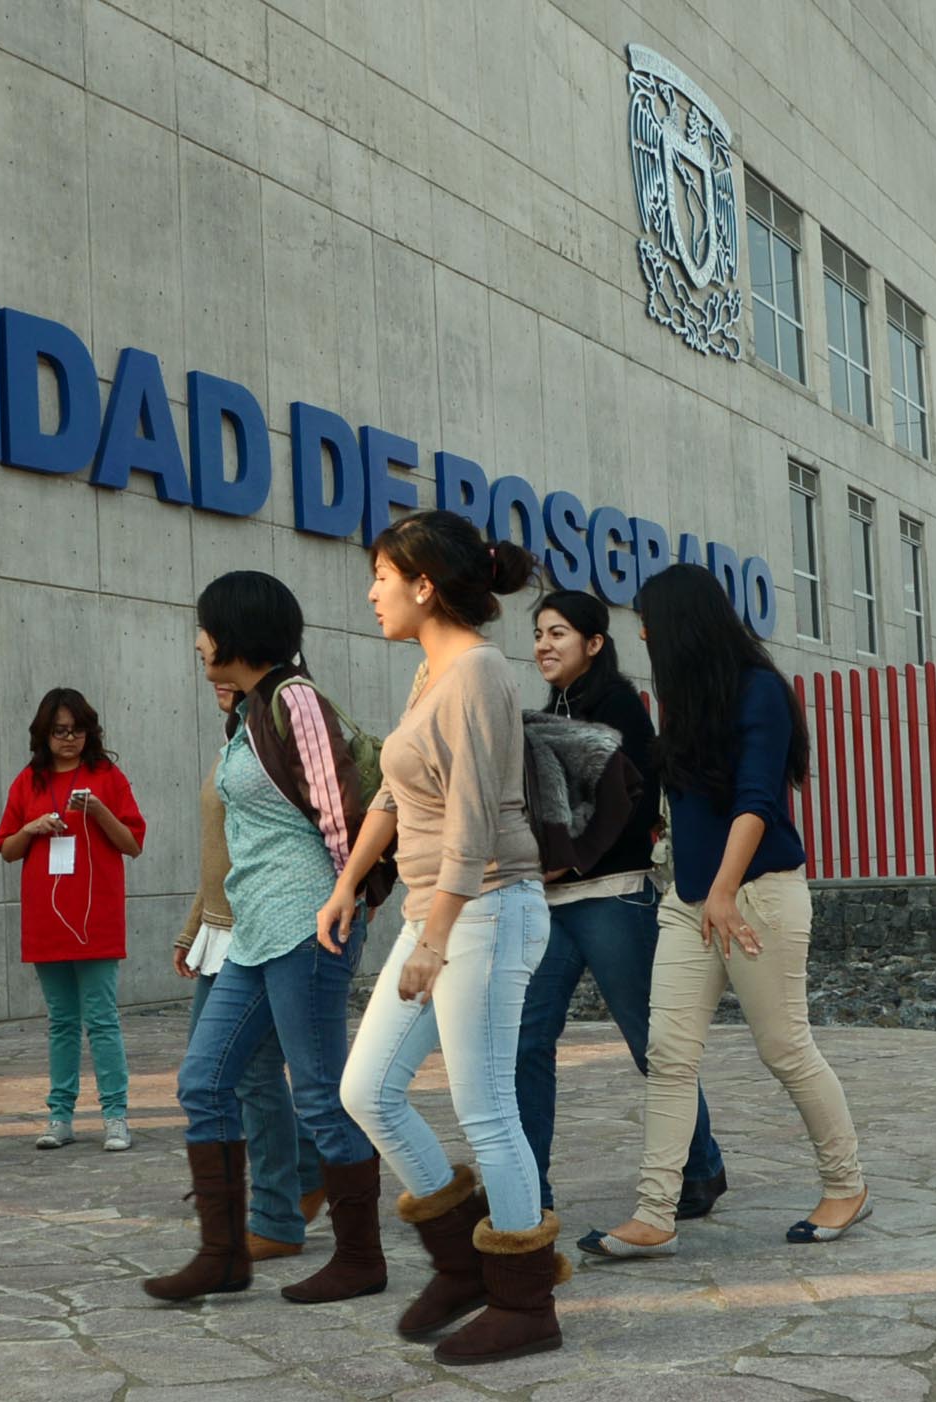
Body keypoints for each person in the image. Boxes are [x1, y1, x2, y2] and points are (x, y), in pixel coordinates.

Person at [325, 510, 567, 1368]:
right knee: (367, 1090)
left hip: (488, 908)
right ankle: (464, 1265)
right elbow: (394, 796)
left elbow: (472, 822)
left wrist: (434, 939)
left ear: (424, 585)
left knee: (486, 1107)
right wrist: (348, 883)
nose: (371, 592)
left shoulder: (477, 673)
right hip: (440, 911)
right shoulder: (430, 674)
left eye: (382, 577)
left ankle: (526, 1302)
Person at [582, 564, 868, 1259]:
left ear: (682, 624)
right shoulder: (684, 701)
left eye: (648, 622)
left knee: (785, 1048)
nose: (642, 635)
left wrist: (723, 888)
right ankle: (655, 1212)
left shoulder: (760, 690)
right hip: (691, 903)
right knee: (668, 1055)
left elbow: (756, 800)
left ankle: (847, 1184)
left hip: (755, 896)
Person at [148, 572, 387, 1305]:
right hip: (253, 935)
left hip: (307, 928)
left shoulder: (294, 700)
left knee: (318, 1093)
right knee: (204, 1080)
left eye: (205, 627)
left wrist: (347, 902)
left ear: (236, 631)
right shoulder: (250, 712)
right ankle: (223, 1255)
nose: (198, 641)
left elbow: (340, 811)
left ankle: (360, 1258)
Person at [517, 591, 728, 1225]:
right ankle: (528, 1188)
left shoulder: (619, 707)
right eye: (539, 633)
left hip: (612, 896)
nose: (544, 644)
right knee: (527, 1041)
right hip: (551, 904)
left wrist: (572, 860)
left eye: (558, 633)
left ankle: (700, 1166)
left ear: (594, 644)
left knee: (650, 1043)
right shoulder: (546, 711)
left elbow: (632, 804)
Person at [173, 677, 327, 1261]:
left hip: (270, 927)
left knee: (253, 1077)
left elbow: (314, 829)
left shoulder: (279, 726)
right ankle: (296, 1173)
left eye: (219, 658)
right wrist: (195, 926)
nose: (211, 673)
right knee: (212, 1075)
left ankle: (277, 1205)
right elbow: (226, 851)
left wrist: (350, 900)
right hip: (225, 931)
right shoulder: (236, 739)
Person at [0, 689, 146, 1152]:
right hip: (47, 920)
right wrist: (31, 828)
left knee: (101, 1019)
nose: (69, 739)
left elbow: (132, 844)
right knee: (61, 1021)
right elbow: (7, 849)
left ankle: (115, 1116)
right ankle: (59, 1116)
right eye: (60, 731)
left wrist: (98, 810)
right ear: (44, 733)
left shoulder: (107, 777)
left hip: (96, 919)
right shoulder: (28, 782)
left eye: (78, 730)